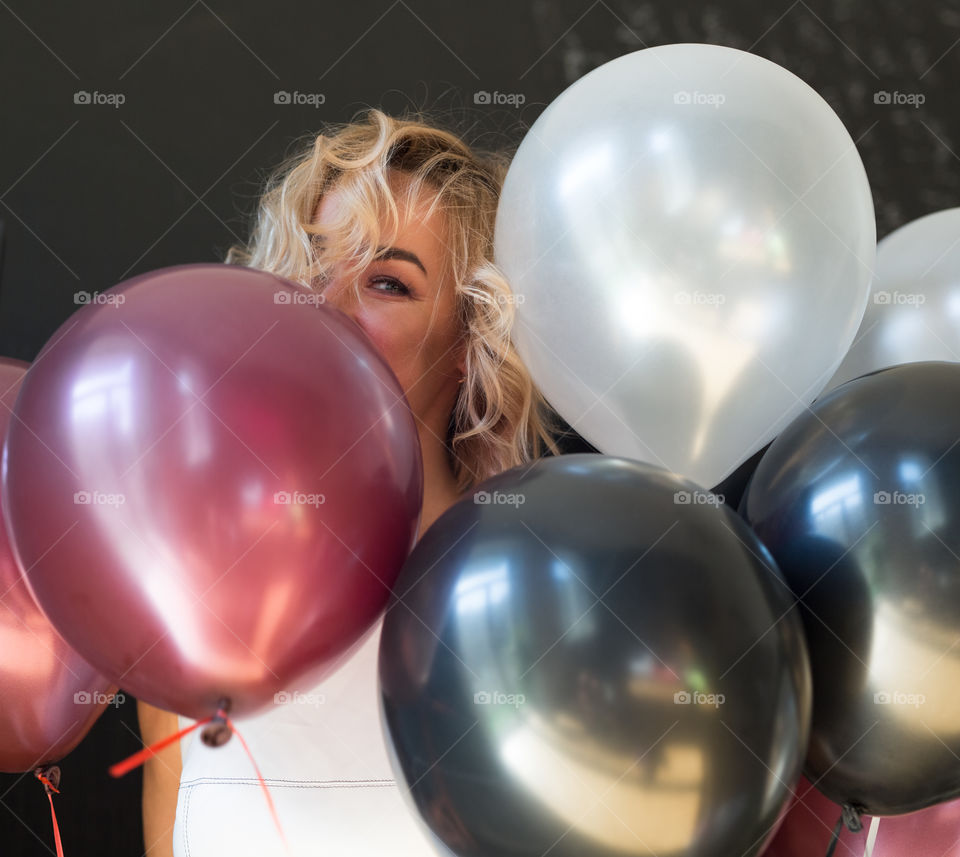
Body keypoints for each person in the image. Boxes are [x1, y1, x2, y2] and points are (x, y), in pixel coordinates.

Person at [137, 107, 561, 856]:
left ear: (470, 341)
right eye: (310, 269)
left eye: (387, 282)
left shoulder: (534, 599)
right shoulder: (188, 596)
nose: (322, 308)